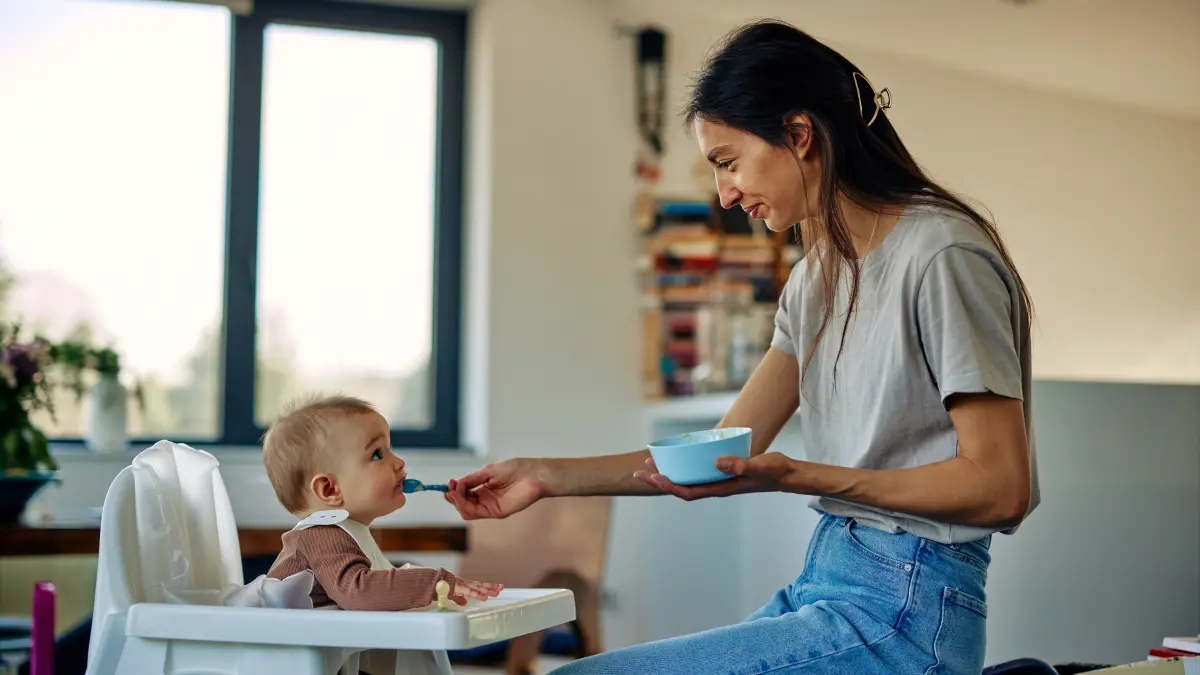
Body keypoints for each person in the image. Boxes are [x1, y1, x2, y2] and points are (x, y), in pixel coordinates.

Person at [445, 18, 1038, 675]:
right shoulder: (816, 279)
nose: (725, 193)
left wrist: (802, 475)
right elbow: (723, 451)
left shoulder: (942, 253)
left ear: (799, 134)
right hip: (830, 578)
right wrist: (546, 475)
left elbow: (1001, 486)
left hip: (905, 612)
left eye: (728, 162)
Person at [262, 394, 502, 610]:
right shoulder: (320, 535)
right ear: (329, 489)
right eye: (377, 454)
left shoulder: (343, 533)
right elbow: (360, 592)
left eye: (390, 449)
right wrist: (435, 583)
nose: (399, 462)